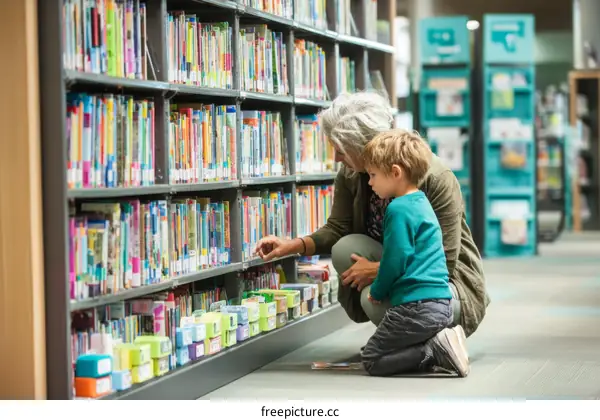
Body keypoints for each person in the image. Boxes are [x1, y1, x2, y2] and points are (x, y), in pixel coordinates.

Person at [254, 91, 489, 339]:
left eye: (341, 150)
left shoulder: (436, 177)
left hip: (445, 287)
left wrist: (379, 270)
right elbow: (338, 229)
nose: (336, 158)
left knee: (371, 300)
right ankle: (408, 340)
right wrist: (292, 246)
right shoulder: (352, 173)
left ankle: (429, 343)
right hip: (403, 275)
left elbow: (445, 259)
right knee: (346, 248)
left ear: (364, 146)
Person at [359, 128, 469, 377]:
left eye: (373, 175)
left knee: (372, 358)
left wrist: (377, 290)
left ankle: (434, 348)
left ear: (395, 172)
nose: (370, 182)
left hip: (416, 307)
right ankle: (439, 342)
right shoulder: (421, 202)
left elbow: (395, 260)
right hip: (441, 302)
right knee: (377, 349)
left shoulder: (398, 209)